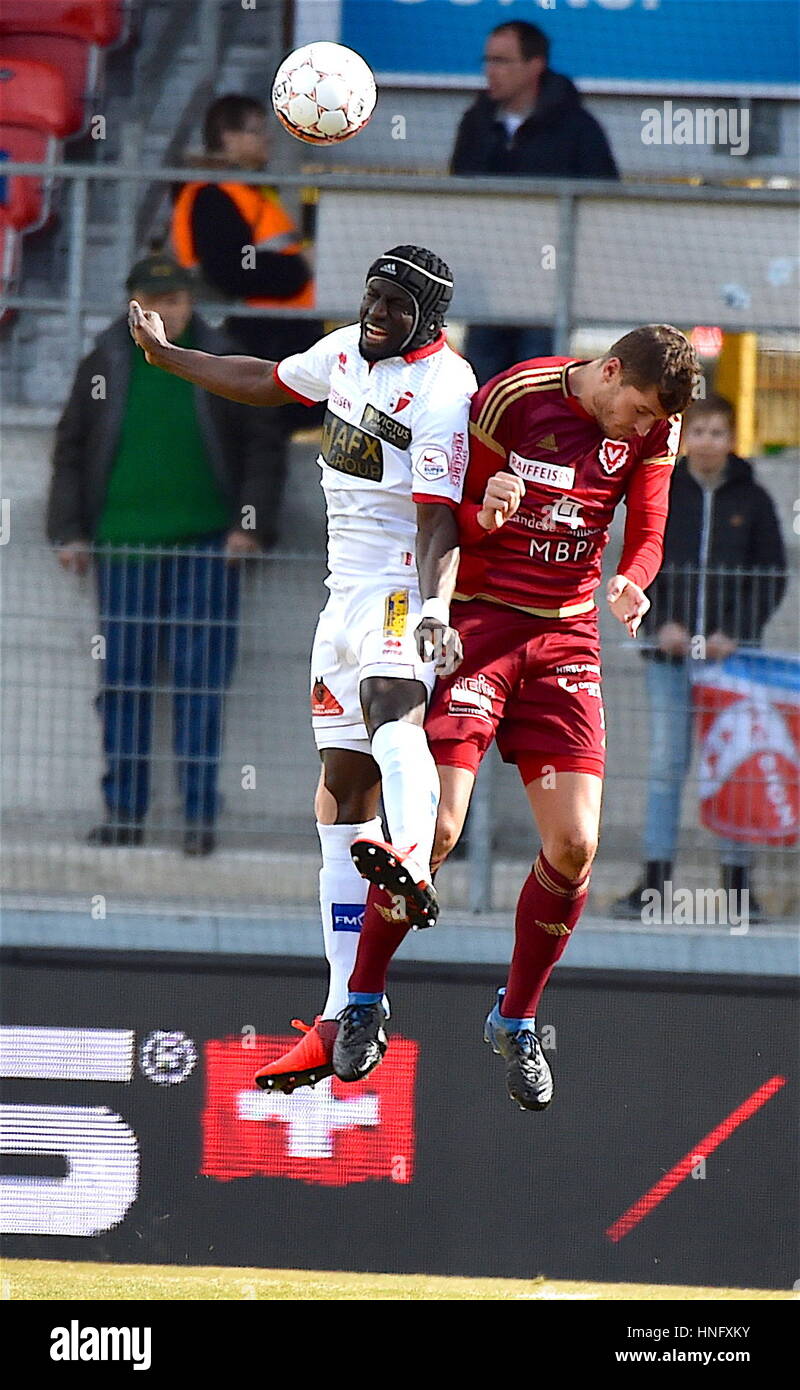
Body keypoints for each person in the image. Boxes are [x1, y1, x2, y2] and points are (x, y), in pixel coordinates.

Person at [128, 245, 477, 1089]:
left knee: (393, 708)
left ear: (426, 319)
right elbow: (264, 380)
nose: (376, 315)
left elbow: (438, 523)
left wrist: (434, 612)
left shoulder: (444, 388)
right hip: (339, 599)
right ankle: (340, 1013)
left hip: (399, 587)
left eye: (395, 307)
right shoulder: (346, 352)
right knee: (339, 795)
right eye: (372, 298)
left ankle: (419, 865)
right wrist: (170, 357)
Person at [332, 326, 700, 1110]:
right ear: (607, 372)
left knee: (576, 844)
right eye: (632, 410)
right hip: (483, 624)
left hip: (566, 634)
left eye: (649, 421)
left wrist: (635, 578)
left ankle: (516, 1018)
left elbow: (652, 526)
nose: (638, 429)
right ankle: (363, 1001)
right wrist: (484, 509)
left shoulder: (657, 427)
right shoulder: (512, 396)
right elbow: (446, 518)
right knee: (434, 833)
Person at [47, 253, 276, 854]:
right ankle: (124, 814)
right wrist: (69, 529)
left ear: (191, 301)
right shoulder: (104, 359)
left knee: (201, 683)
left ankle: (199, 819)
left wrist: (250, 526)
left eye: (174, 300)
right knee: (122, 682)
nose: (166, 312)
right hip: (121, 547)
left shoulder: (222, 356)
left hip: (207, 546)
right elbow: (70, 446)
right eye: (154, 301)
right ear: (133, 305)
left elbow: (262, 447)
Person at [612, 394, 787, 922]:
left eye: (718, 432)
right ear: (685, 437)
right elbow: (643, 556)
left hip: (732, 662)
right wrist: (660, 621)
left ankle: (738, 887)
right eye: (700, 431)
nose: (708, 441)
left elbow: (770, 574)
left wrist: (734, 633)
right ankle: (655, 881)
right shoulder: (667, 491)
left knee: (735, 764)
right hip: (669, 657)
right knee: (667, 763)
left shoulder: (753, 500)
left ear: (733, 438)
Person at [171, 94, 322, 543]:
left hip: (274, 335)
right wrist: (300, 269)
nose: (266, 140)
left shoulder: (244, 190)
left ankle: (248, 529)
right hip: (252, 337)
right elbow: (231, 269)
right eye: (256, 130)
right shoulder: (214, 194)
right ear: (228, 137)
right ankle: (243, 530)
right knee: (259, 437)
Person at [451, 20, 618, 385]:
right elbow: (459, 195)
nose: (490, 71)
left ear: (534, 65)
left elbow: (604, 200)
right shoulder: (476, 123)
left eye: (502, 61)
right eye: (488, 60)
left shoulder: (577, 128)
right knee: (479, 389)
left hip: (548, 288)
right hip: (487, 284)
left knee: (536, 385)